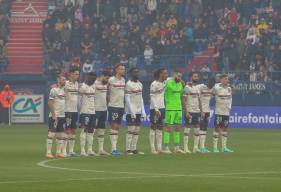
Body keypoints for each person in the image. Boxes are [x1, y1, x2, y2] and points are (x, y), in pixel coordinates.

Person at [163, 69, 185, 154]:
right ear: (174, 75)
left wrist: (184, 108)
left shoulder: (180, 84)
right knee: (168, 128)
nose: (179, 78)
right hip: (170, 109)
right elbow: (162, 92)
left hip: (178, 109)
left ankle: (177, 147)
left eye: (180, 76)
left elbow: (181, 96)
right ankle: (165, 147)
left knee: (177, 128)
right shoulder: (168, 82)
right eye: (178, 76)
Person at [125, 68, 146, 155]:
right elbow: (127, 99)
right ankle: (128, 149)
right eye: (135, 72)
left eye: (137, 72)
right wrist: (132, 111)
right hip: (131, 111)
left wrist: (143, 111)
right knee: (131, 129)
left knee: (137, 129)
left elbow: (141, 98)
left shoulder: (140, 84)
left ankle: (134, 148)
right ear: (131, 74)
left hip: (138, 110)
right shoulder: (128, 84)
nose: (137, 74)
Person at [212, 74, 233, 153]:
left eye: (227, 79)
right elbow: (211, 95)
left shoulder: (229, 89)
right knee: (217, 128)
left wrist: (229, 107)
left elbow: (230, 98)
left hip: (226, 112)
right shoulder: (217, 88)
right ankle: (215, 148)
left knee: (225, 129)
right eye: (225, 79)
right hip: (219, 112)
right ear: (221, 80)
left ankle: (224, 147)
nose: (226, 80)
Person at [108, 64, 126, 156]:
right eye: (121, 69)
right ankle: (113, 149)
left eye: (124, 69)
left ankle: (114, 148)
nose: (123, 70)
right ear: (116, 70)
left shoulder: (123, 80)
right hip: (113, 106)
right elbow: (105, 89)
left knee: (117, 126)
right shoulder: (111, 80)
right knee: (113, 125)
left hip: (121, 106)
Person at [46, 75, 66, 158]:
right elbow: (50, 102)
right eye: (63, 80)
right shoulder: (53, 90)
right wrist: (53, 114)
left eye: (65, 80)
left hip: (62, 116)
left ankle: (58, 152)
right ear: (58, 80)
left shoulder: (64, 90)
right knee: (51, 134)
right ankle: (48, 152)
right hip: (55, 116)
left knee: (61, 135)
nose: (64, 81)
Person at [182, 72, 202, 153]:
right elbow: (183, 99)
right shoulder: (187, 87)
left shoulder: (197, 88)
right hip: (189, 111)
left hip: (197, 111)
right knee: (187, 129)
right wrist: (186, 111)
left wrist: (201, 110)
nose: (196, 78)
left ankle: (195, 147)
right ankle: (186, 148)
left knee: (197, 129)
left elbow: (199, 99)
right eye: (195, 76)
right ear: (191, 77)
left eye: (197, 76)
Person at [149, 68, 168, 154]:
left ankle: (159, 148)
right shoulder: (154, 84)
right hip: (154, 108)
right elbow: (152, 97)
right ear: (161, 74)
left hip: (162, 107)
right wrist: (156, 108)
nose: (166, 75)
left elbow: (173, 78)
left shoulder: (165, 82)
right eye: (165, 73)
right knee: (154, 127)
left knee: (160, 127)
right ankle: (153, 148)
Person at [63, 66, 80, 157]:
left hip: (75, 111)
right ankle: (64, 151)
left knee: (73, 130)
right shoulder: (66, 83)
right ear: (71, 74)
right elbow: (58, 87)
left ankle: (71, 151)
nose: (77, 76)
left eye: (78, 74)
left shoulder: (77, 84)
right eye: (76, 74)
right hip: (67, 110)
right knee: (67, 130)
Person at [79, 72, 97, 156]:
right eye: (92, 78)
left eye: (94, 79)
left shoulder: (94, 86)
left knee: (91, 131)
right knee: (84, 130)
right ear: (87, 78)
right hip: (85, 111)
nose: (93, 80)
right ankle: (82, 150)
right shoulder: (82, 87)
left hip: (92, 111)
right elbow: (79, 98)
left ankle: (90, 149)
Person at [94, 70, 111, 155]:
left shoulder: (106, 84)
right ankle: (89, 149)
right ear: (102, 76)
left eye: (108, 79)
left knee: (101, 130)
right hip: (95, 109)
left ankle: (101, 149)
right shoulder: (95, 83)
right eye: (106, 78)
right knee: (92, 130)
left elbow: (107, 95)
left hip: (104, 110)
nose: (107, 80)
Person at [197, 77, 216, 153]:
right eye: (211, 84)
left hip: (207, 111)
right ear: (208, 82)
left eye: (213, 85)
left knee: (205, 128)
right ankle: (200, 147)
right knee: (201, 128)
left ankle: (202, 147)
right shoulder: (201, 87)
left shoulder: (212, 89)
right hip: (200, 111)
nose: (211, 86)